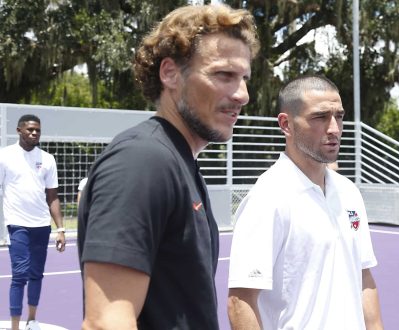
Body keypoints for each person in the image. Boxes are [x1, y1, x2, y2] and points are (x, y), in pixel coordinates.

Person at [77, 4, 259, 329]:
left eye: (244, 78)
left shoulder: (180, 162)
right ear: (170, 73)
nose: (242, 94)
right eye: (224, 75)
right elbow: (106, 322)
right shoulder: (143, 160)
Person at [227, 75, 384, 330]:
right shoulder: (267, 198)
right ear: (286, 124)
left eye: (339, 116)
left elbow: (364, 278)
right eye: (320, 117)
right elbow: (240, 301)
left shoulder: (349, 192)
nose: (334, 128)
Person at [0, 114, 66, 330]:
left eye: (37, 130)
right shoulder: (4, 156)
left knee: (37, 274)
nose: (34, 133)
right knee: (20, 274)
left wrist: (61, 228)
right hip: (17, 223)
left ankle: (32, 319)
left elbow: (53, 196)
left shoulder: (47, 159)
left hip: (41, 225)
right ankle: (15, 326)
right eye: (29, 129)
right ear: (19, 130)